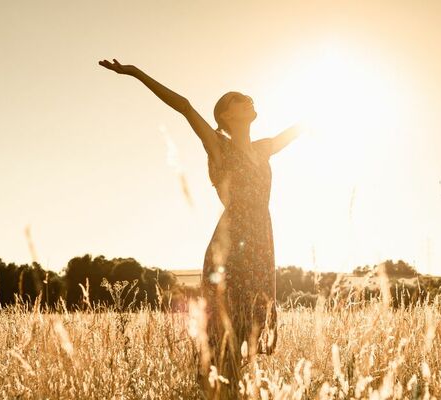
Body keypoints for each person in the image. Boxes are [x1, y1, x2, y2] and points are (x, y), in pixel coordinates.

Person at [99, 59, 300, 398]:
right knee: (226, 326)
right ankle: (219, 388)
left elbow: (299, 129)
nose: (247, 98)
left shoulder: (263, 149)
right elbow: (184, 106)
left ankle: (229, 391)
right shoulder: (218, 145)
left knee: (251, 324)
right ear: (225, 115)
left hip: (262, 241)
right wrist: (135, 73)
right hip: (232, 241)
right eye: (238, 97)